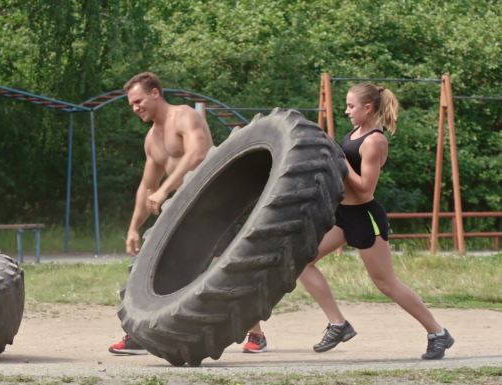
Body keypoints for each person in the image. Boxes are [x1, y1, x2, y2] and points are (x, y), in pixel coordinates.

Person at [246, 83, 455, 360]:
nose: (346, 111)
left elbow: (365, 189)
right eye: (346, 105)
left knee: (386, 283)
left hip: (366, 218)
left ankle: (437, 333)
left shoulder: (375, 141)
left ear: (368, 108)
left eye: (351, 106)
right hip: (342, 216)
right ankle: (338, 324)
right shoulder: (356, 133)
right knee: (302, 260)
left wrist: (340, 161)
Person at [108, 72, 214, 355]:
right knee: (149, 264)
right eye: (131, 104)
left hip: (213, 201)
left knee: (219, 268)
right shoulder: (151, 140)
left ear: (156, 93)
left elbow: (197, 154)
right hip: (180, 207)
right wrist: (133, 228)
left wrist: (164, 190)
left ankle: (254, 332)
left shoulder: (185, 116)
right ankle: (137, 334)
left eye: (138, 100)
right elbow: (146, 187)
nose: (135, 107)